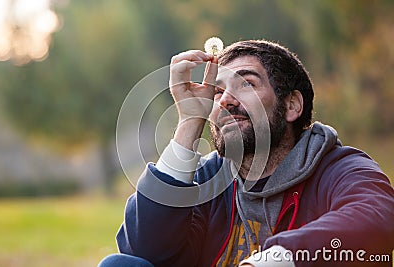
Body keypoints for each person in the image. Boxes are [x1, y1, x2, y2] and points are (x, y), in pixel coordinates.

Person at [98, 40, 394, 267]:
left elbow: (378, 218)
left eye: (246, 83)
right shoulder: (208, 179)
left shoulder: (338, 167)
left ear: (291, 106)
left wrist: (272, 260)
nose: (226, 99)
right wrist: (190, 122)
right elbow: (142, 248)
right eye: (217, 90)